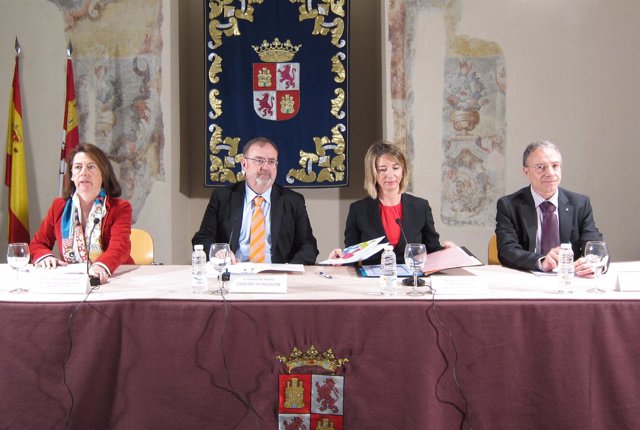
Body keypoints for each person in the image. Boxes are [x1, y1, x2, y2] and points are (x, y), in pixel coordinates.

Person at [192, 137, 319, 264]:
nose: (266, 167)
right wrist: (216, 251)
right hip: (235, 272)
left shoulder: (293, 201)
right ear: (244, 164)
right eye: (259, 161)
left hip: (277, 275)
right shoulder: (223, 197)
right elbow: (202, 238)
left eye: (271, 162)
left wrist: (289, 270)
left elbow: (308, 246)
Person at [328, 141, 453, 265]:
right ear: (373, 174)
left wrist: (447, 252)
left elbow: (431, 251)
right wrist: (341, 259)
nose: (390, 175)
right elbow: (352, 258)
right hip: (371, 283)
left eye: (395, 168)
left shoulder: (420, 207)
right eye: (382, 169)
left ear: (403, 170)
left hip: (411, 280)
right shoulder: (358, 210)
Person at [495, 140, 604, 276]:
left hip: (570, 279)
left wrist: (593, 264)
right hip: (527, 279)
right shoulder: (509, 205)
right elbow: (507, 250)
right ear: (526, 171)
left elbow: (595, 245)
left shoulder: (580, 203)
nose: (550, 173)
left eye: (555, 165)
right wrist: (541, 261)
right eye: (541, 167)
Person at [30, 144, 133, 284]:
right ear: (72, 175)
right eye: (78, 167)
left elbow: (120, 247)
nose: (84, 172)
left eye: (91, 167)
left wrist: (99, 267)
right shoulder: (58, 206)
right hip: (72, 282)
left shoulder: (119, 207)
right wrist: (45, 257)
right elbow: (37, 244)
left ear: (103, 173)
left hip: (114, 278)